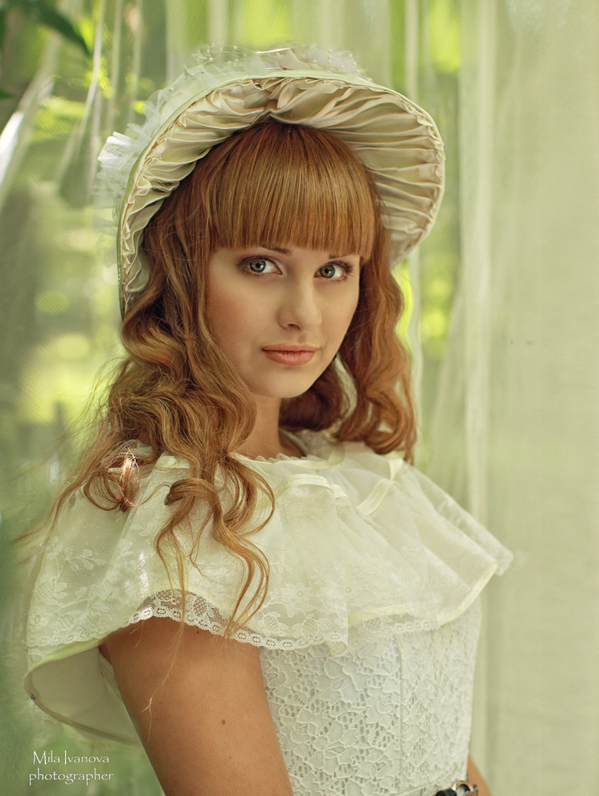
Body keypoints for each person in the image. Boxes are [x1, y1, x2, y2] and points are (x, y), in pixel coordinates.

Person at [23, 46, 512, 796]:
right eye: (260, 264)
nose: (304, 313)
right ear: (182, 274)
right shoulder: (175, 526)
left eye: (333, 269)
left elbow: (443, 757)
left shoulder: (358, 480)